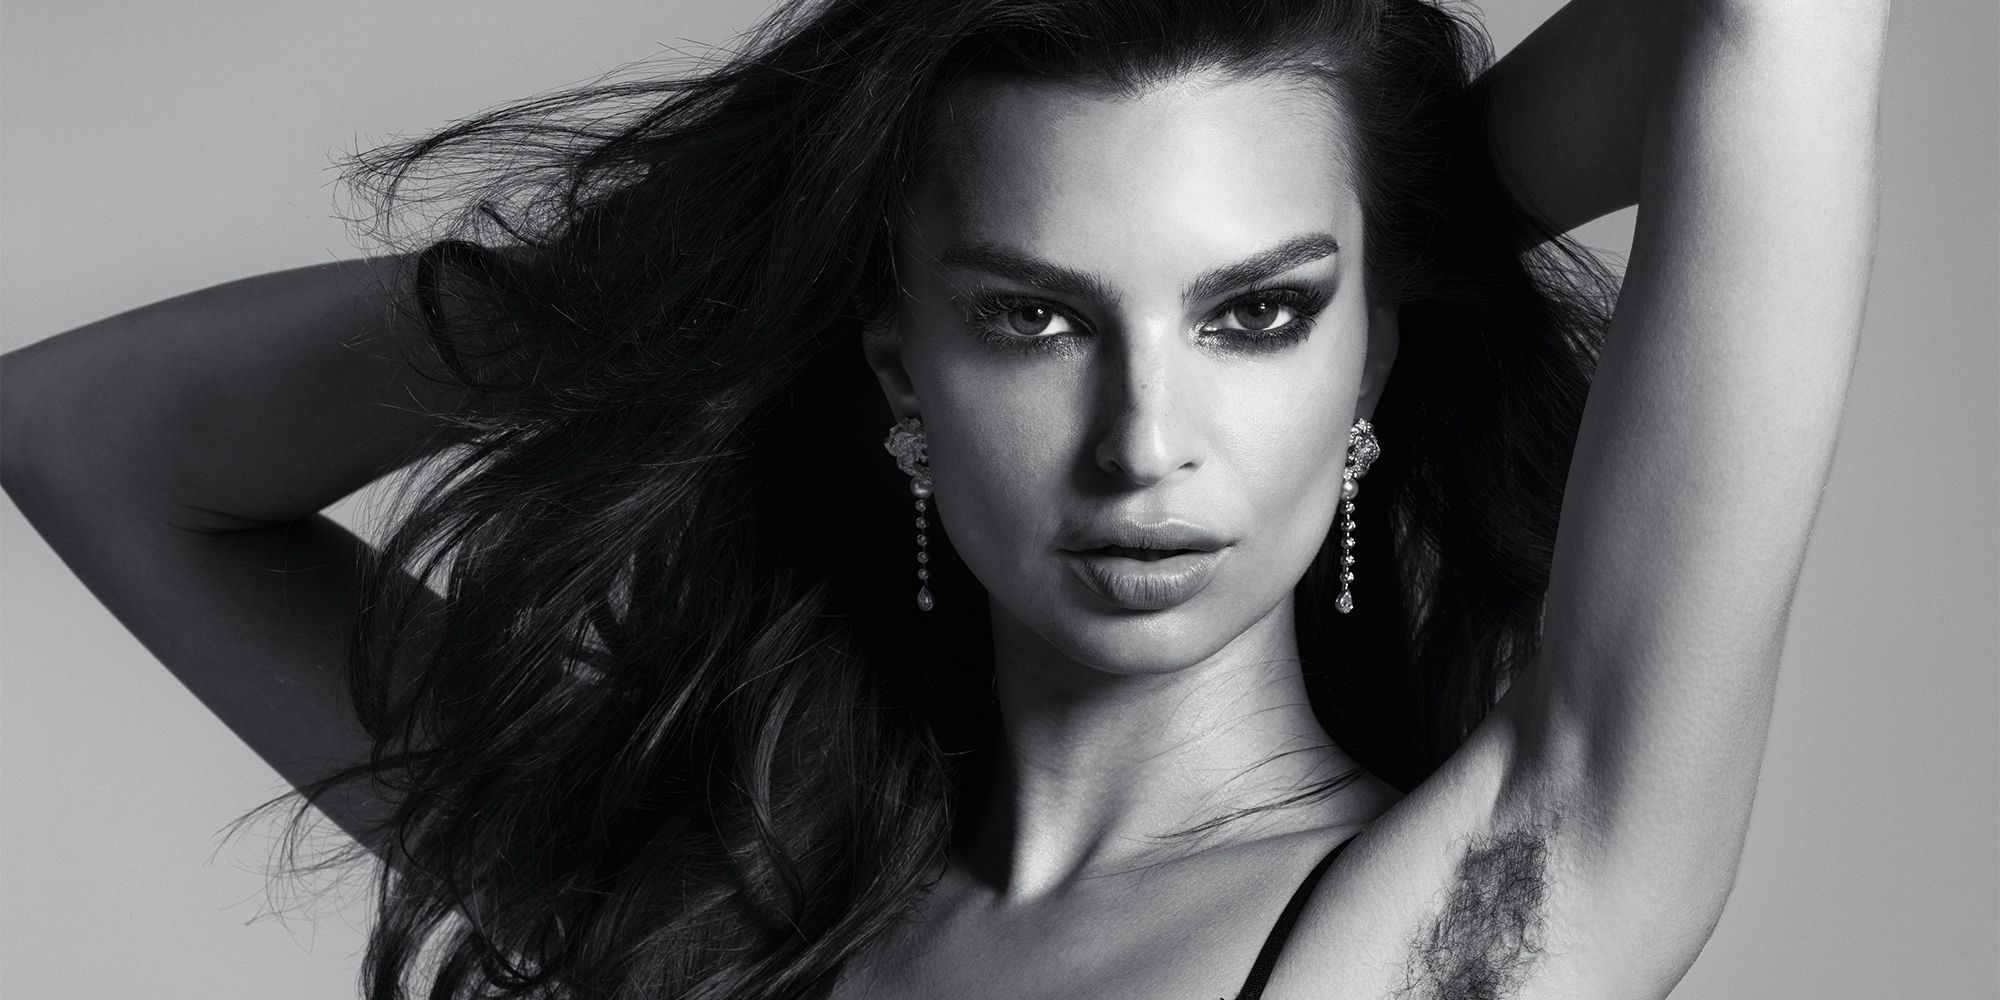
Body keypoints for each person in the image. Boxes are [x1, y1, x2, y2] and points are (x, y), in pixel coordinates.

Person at [0, 0, 1887, 996]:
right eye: (1031, 317)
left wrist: (1393, 187)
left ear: (1368, 359)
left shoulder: (1492, 908)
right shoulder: (708, 921)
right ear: (902, 367)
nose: (1144, 437)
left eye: (1257, 314)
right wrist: (691, 281)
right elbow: (85, 436)